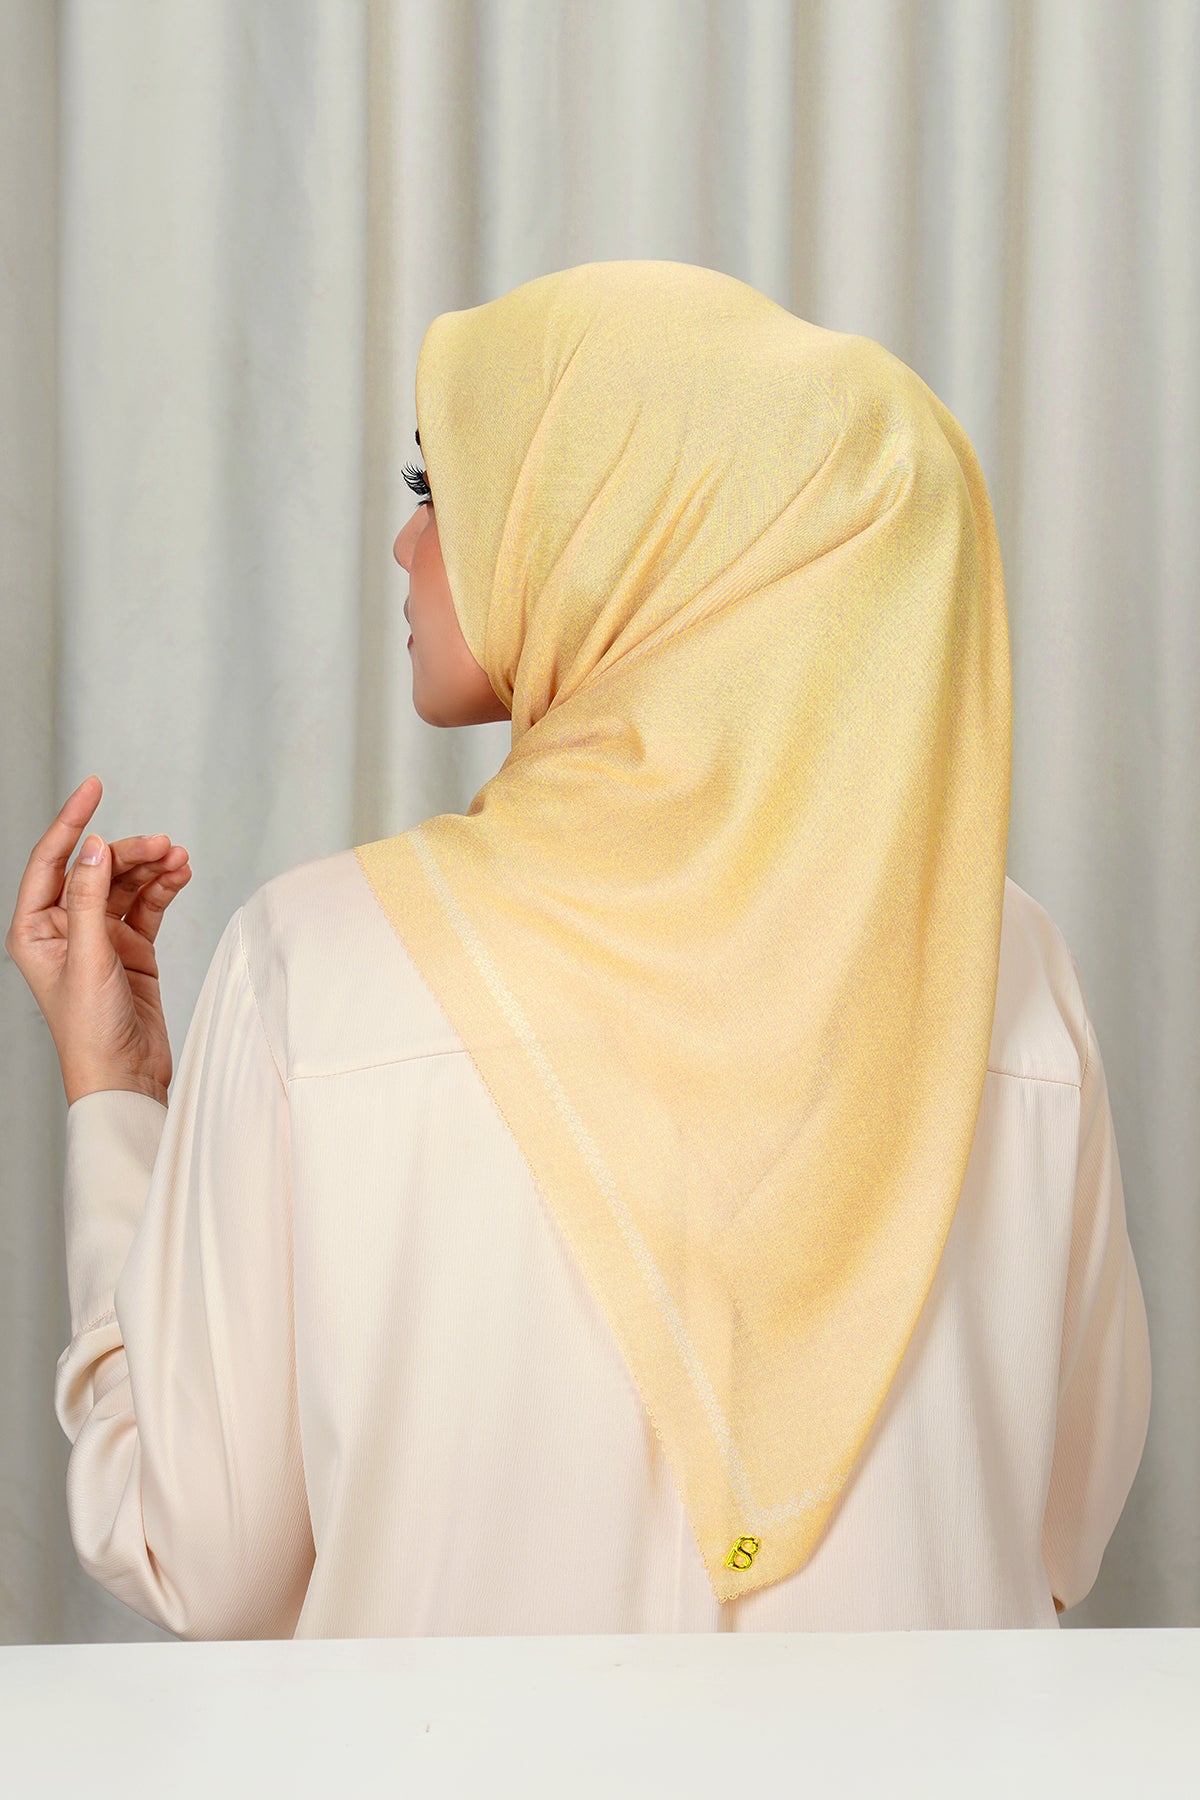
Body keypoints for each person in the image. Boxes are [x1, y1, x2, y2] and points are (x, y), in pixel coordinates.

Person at [44, 261, 1149, 1637]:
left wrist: (116, 1105)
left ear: (617, 529)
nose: (406, 544)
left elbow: (201, 1558)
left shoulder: (313, 967)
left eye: (438, 488)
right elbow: (1063, 1522)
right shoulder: (1001, 964)